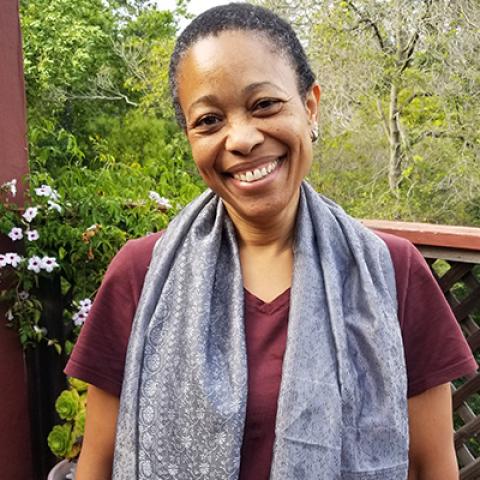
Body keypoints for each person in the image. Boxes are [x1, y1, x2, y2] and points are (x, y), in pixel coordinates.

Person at [66, 4, 476, 479]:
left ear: (311, 106)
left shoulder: (391, 272)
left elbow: (433, 466)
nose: (240, 138)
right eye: (208, 120)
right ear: (189, 138)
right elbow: (96, 464)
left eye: (264, 105)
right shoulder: (141, 275)